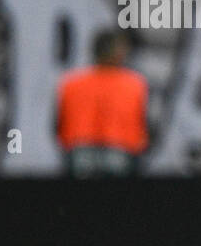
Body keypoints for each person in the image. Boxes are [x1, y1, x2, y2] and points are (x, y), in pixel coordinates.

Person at [56, 29, 149, 176]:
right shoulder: (134, 84)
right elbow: (143, 125)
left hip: (79, 151)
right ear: (118, 53)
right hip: (121, 151)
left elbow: (58, 124)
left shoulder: (71, 83)